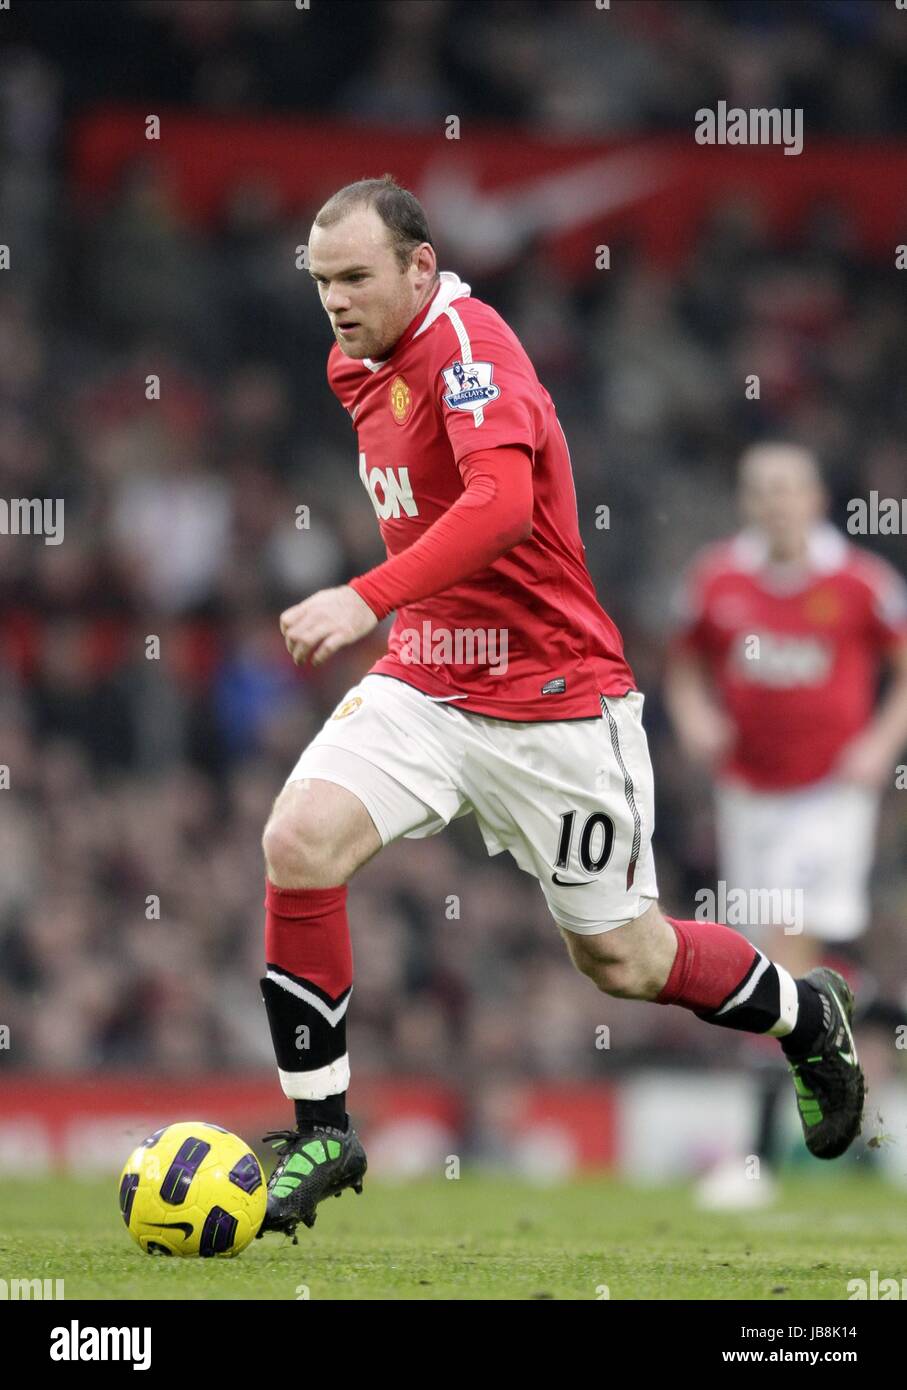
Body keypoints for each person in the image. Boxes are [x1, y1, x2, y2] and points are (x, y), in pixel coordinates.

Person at [256, 177, 864, 1238]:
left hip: (555, 702)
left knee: (623, 958)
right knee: (298, 841)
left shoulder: (475, 351)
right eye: (321, 281)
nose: (335, 300)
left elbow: (495, 508)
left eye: (356, 277)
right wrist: (399, 620)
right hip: (429, 678)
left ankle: (804, 1011)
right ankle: (322, 1129)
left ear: (420, 268)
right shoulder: (350, 362)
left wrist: (361, 594)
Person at [665, 443, 907, 1207]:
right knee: (803, 975)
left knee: (779, 961)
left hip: (827, 795)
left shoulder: (859, 582)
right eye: (760, 490)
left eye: (787, 489)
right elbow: (682, 663)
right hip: (749, 798)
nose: (774, 503)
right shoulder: (717, 579)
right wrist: (695, 715)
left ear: (813, 499)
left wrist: (879, 742)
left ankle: (756, 1162)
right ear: (746, 500)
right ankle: (878, 1101)